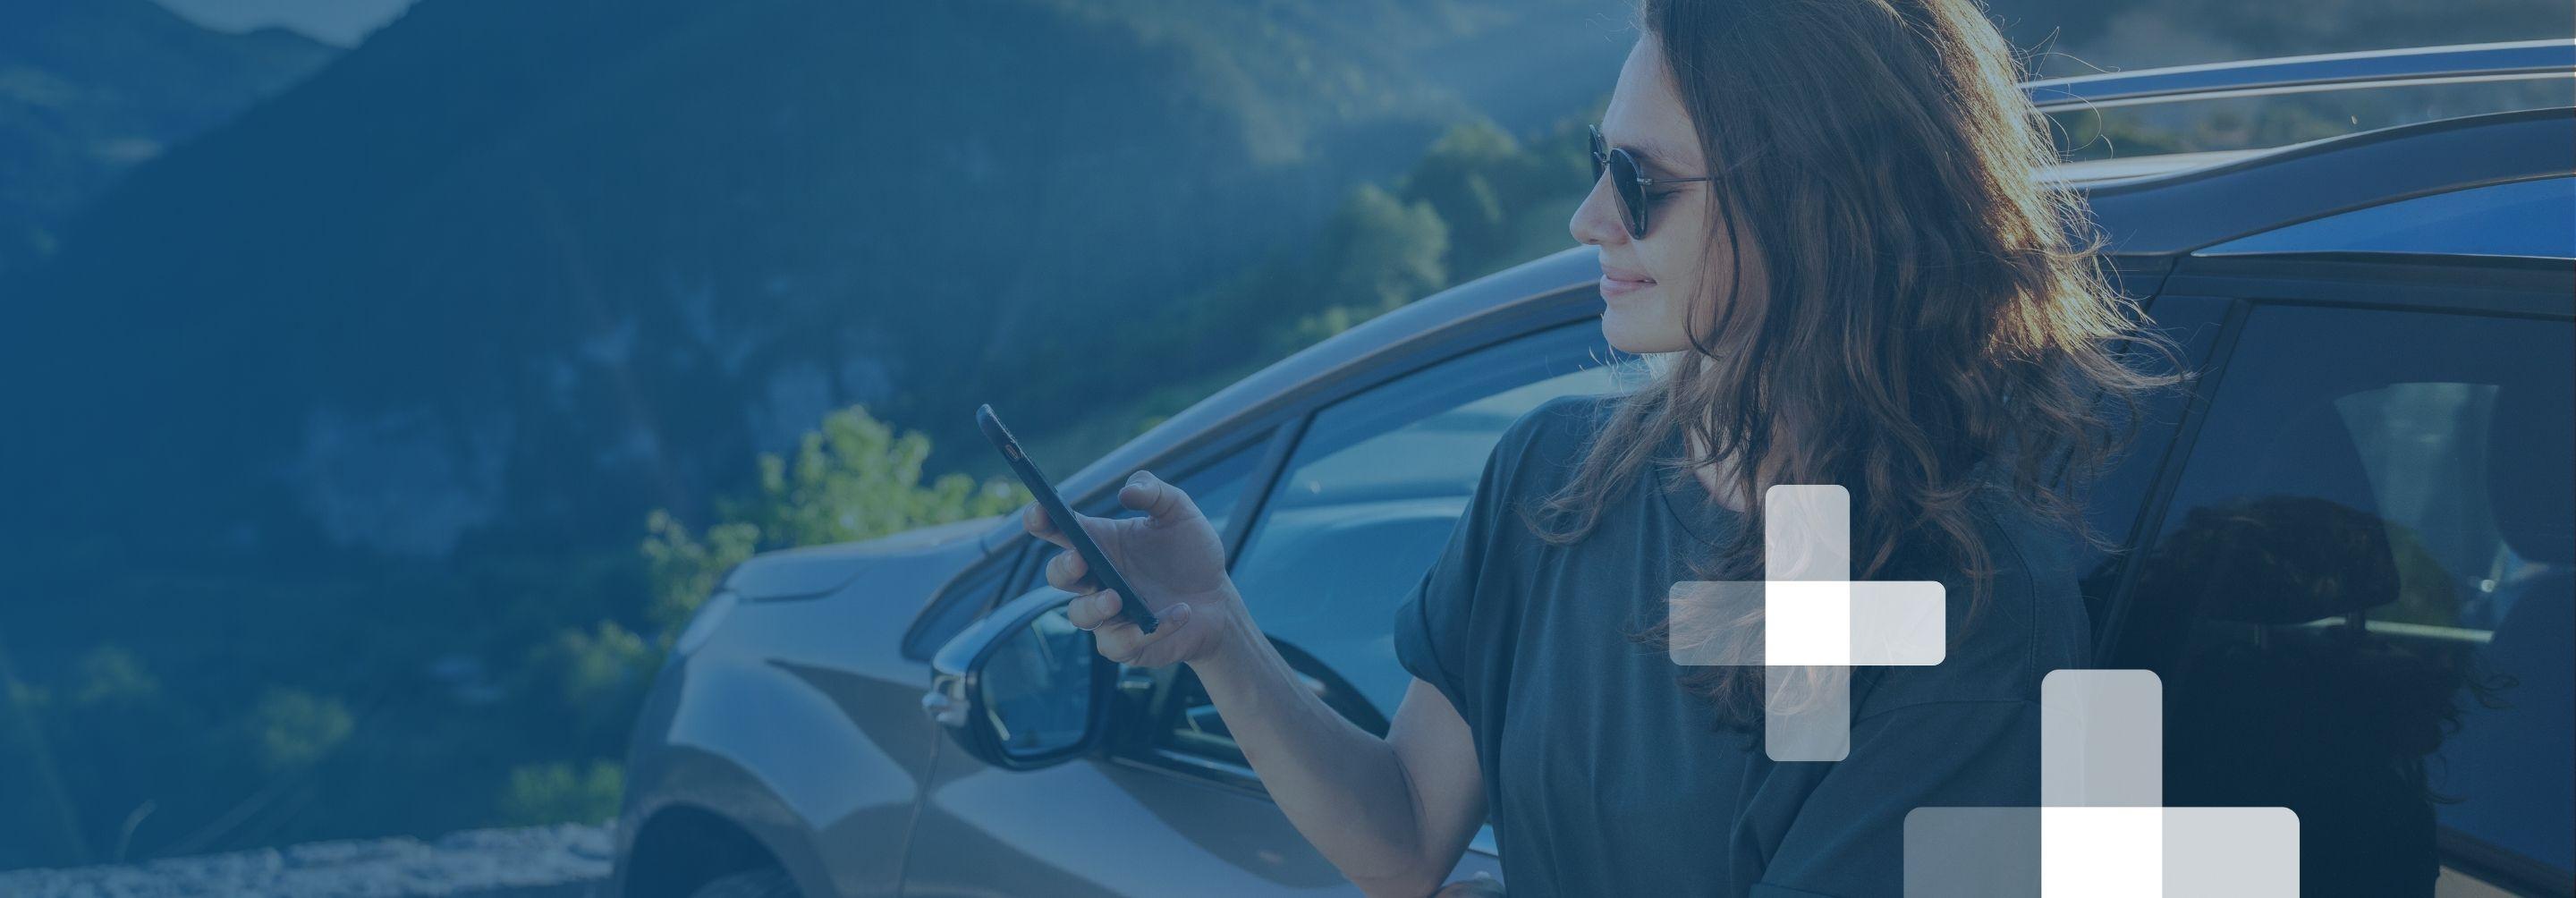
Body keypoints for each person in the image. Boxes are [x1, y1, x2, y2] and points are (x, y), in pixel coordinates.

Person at [1024, 1, 2177, 894]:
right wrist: (1221, 632)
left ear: (1820, 208)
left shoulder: (1963, 614)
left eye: (1643, 183)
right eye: (1599, 162)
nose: (1591, 219)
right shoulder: (1556, 483)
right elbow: (1403, 837)